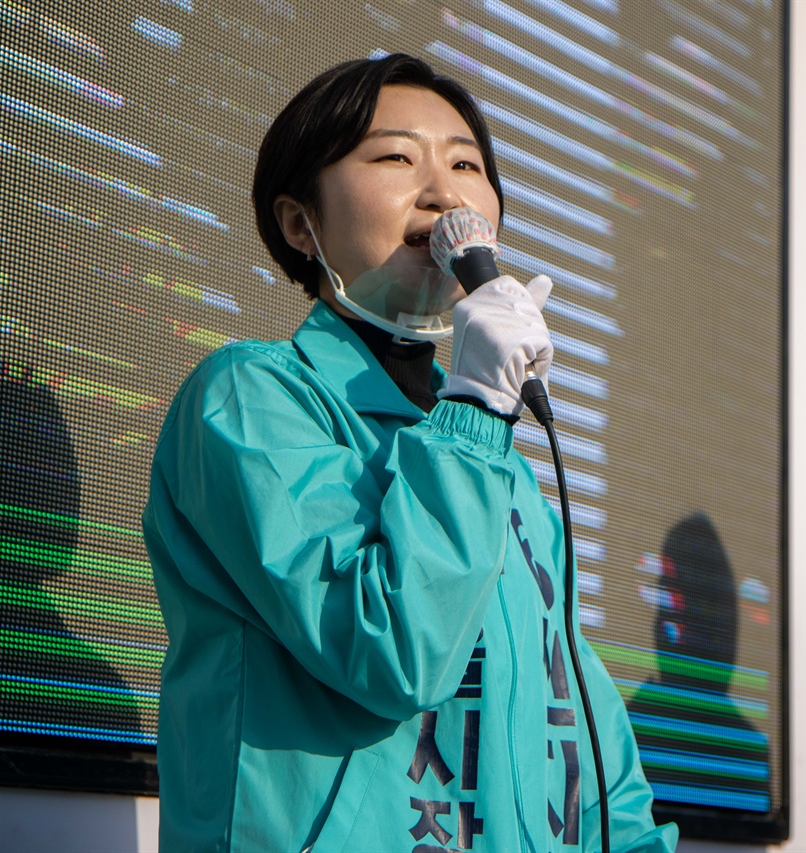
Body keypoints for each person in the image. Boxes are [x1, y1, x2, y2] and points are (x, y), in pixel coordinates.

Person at [143, 53, 677, 852]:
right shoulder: (248, 397)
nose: (445, 190)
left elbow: (582, 726)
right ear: (300, 223)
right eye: (396, 157)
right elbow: (390, 649)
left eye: (468, 164)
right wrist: (473, 410)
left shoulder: (501, 467)